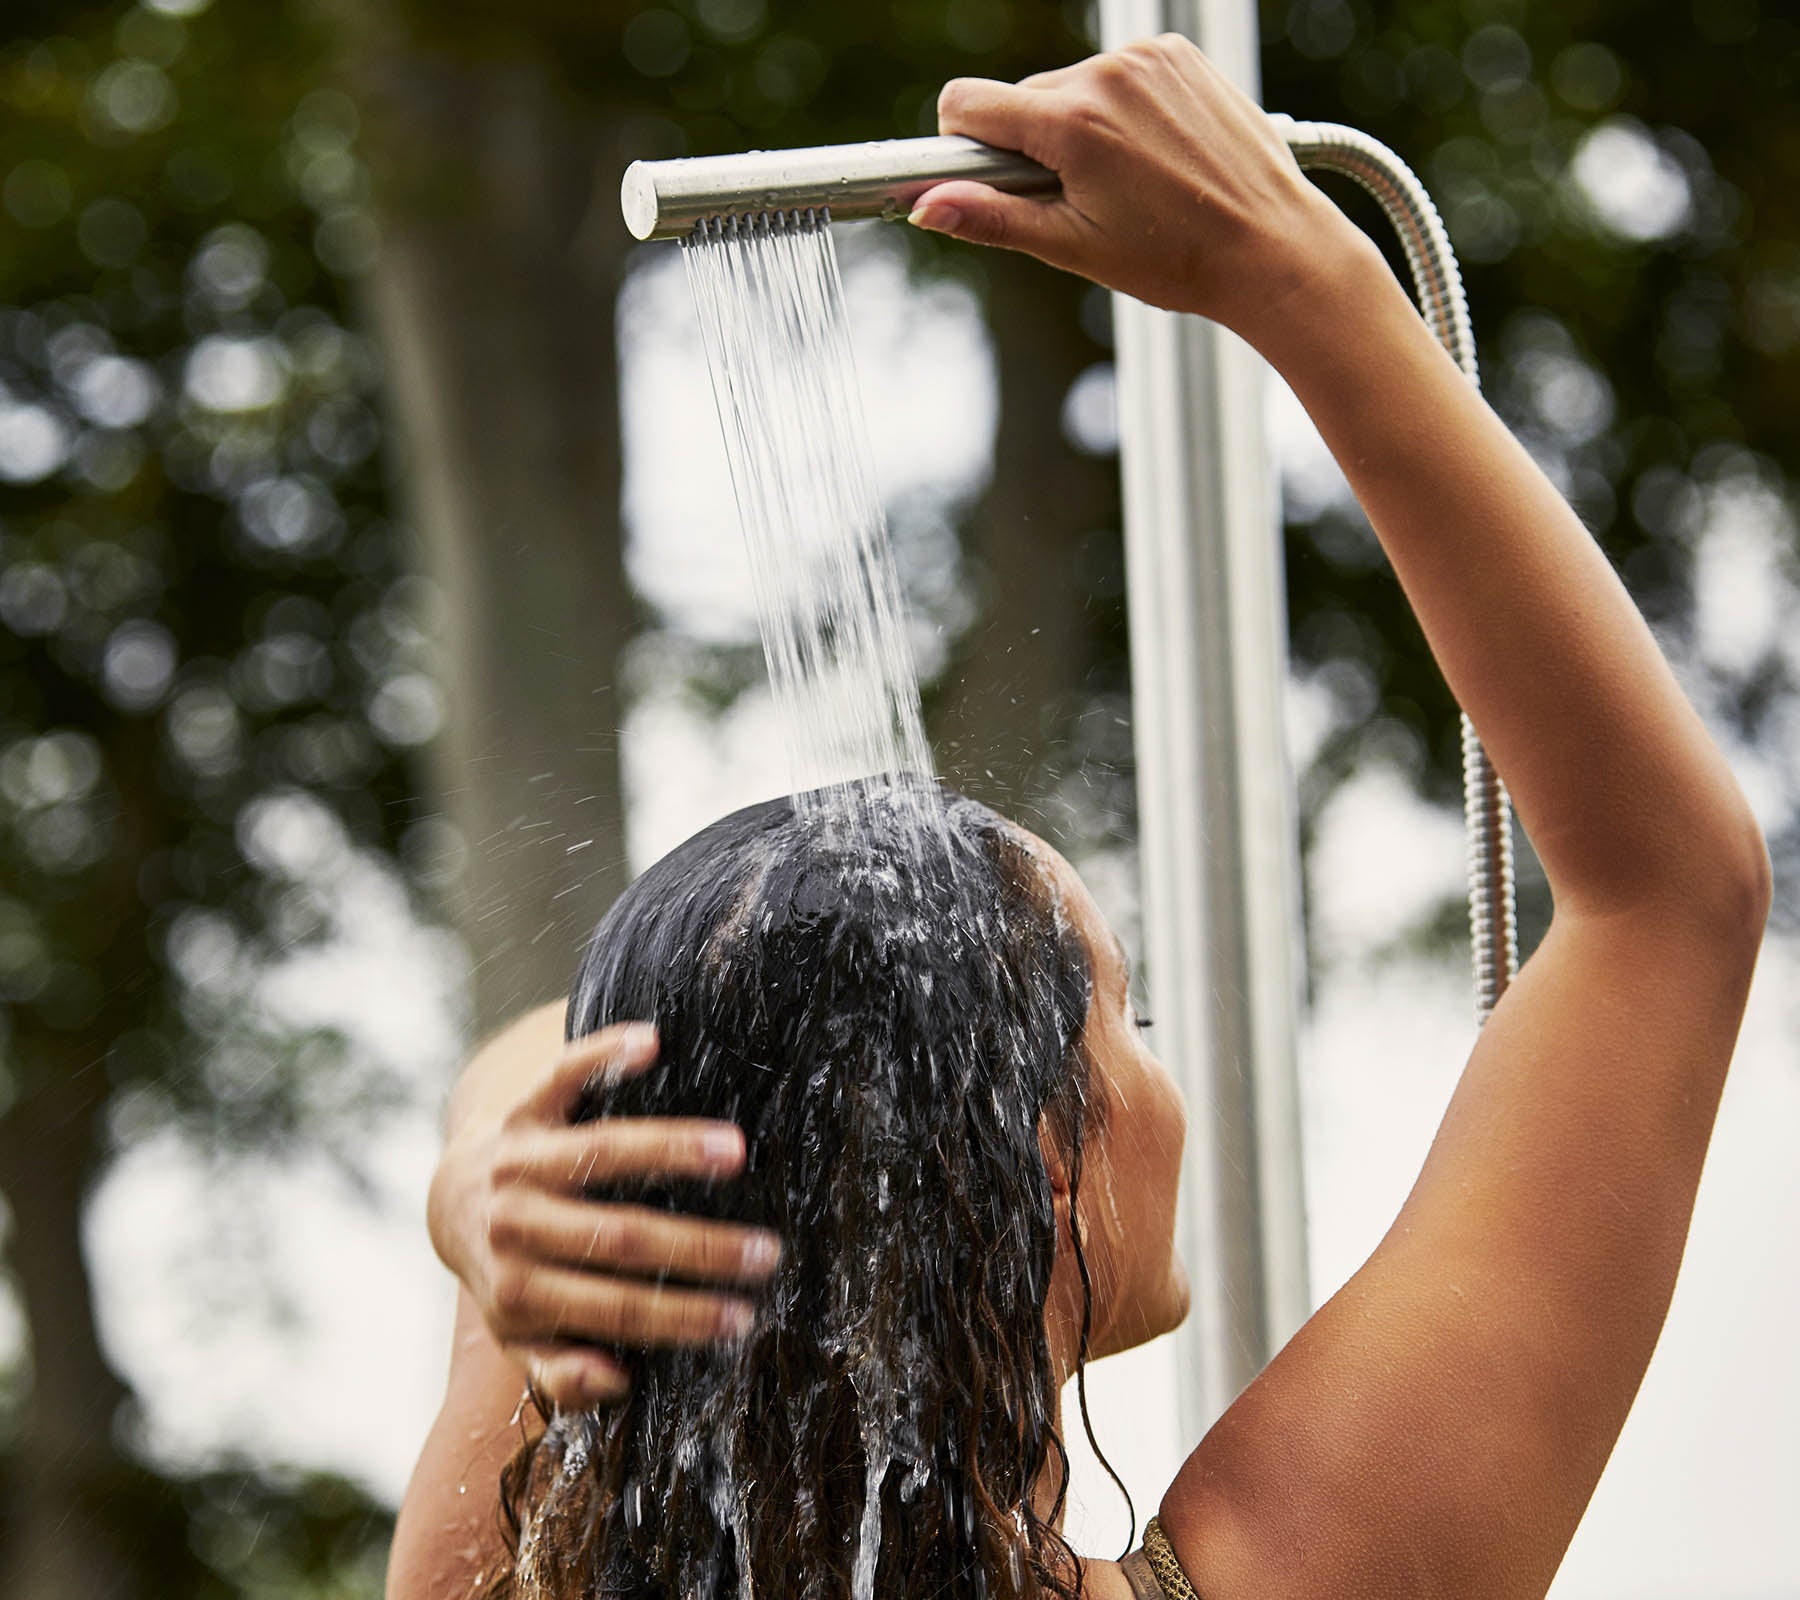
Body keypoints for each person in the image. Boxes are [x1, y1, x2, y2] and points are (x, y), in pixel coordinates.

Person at [388, 34, 1772, 1600]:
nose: (1163, 1069)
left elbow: (556, 1059)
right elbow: (1667, 888)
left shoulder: (499, 1568)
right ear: (1042, 1158)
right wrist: (1296, 266)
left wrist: (483, 1189)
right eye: (1130, 1014)